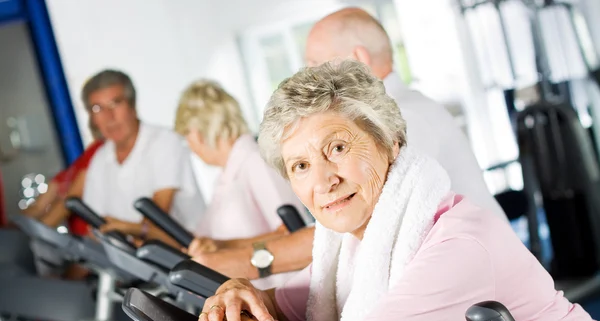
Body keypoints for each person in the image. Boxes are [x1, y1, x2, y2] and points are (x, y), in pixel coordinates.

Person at [195, 60, 600, 321]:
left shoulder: (457, 245)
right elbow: (278, 308)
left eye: (336, 148)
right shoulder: (358, 252)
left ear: (390, 142)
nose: (323, 181)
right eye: (301, 166)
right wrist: (232, 296)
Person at [187, 6, 506, 283]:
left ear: (358, 59)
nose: (309, 77)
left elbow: (356, 227)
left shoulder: (402, 117)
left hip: (487, 289)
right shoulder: (387, 112)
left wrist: (247, 260)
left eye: (315, 64)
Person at [39, 69, 204, 247]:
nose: (109, 117)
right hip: (132, 265)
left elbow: (157, 219)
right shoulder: (100, 158)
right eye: (98, 108)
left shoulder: (164, 142)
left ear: (132, 105)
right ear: (92, 118)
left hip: (187, 259)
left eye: (115, 103)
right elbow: (95, 230)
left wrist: (122, 230)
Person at [175, 80, 306, 288]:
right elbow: (208, 239)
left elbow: (293, 232)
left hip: (283, 290)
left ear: (198, 131)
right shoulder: (224, 176)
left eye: (186, 137)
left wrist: (225, 248)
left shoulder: (254, 161)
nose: (190, 147)